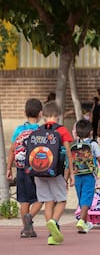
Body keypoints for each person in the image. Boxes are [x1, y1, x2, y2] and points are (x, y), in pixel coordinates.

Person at [34, 101, 74, 245]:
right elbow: (69, 153)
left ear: (43, 115)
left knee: (48, 202)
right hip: (55, 171)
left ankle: (52, 235)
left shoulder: (38, 130)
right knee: (62, 200)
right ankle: (54, 221)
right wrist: (72, 174)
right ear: (58, 115)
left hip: (39, 171)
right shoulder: (61, 130)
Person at [6, 98, 44, 238]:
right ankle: (30, 218)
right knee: (41, 198)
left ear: (24, 113)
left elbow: (12, 150)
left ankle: (27, 229)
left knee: (24, 200)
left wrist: (9, 168)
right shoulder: (41, 130)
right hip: (37, 170)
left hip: (21, 169)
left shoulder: (19, 130)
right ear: (40, 114)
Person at [72, 120, 100, 233]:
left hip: (77, 175)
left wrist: (68, 177)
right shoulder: (93, 145)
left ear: (77, 133)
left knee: (81, 198)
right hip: (89, 176)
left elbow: (69, 163)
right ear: (91, 132)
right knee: (87, 199)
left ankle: (85, 222)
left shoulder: (74, 145)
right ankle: (82, 221)